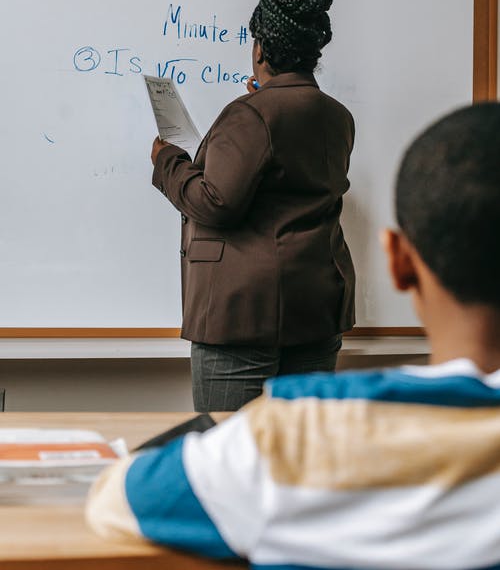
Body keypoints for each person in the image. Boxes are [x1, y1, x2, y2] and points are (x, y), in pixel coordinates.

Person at [87, 102, 500, 569]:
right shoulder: (336, 117)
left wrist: (170, 159)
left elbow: (113, 498)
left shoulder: (288, 438)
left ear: (399, 260)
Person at [151, 0, 356, 412]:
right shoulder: (337, 116)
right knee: (299, 458)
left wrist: (167, 161)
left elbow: (216, 201)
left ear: (261, 48)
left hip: (243, 316)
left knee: (227, 457)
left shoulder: (251, 114)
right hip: (317, 310)